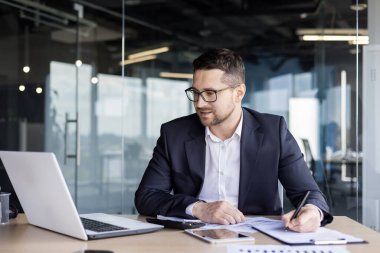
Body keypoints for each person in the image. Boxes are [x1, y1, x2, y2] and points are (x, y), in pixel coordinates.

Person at [135, 48, 333, 232]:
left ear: (238, 93)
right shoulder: (174, 134)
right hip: (191, 238)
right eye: (195, 93)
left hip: (256, 239)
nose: (199, 103)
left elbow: (310, 193)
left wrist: (312, 212)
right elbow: (147, 196)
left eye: (210, 93)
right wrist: (198, 208)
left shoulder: (273, 132)